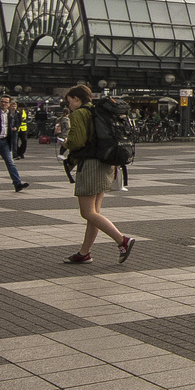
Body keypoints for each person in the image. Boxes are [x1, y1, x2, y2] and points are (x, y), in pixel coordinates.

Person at [60, 84, 133, 264]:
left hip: (90, 165)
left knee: (87, 212)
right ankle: (84, 253)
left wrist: (66, 142)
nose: (69, 106)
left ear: (77, 99)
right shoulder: (97, 111)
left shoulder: (79, 114)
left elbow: (77, 141)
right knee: (95, 212)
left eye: (70, 102)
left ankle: (122, 240)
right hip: (105, 163)